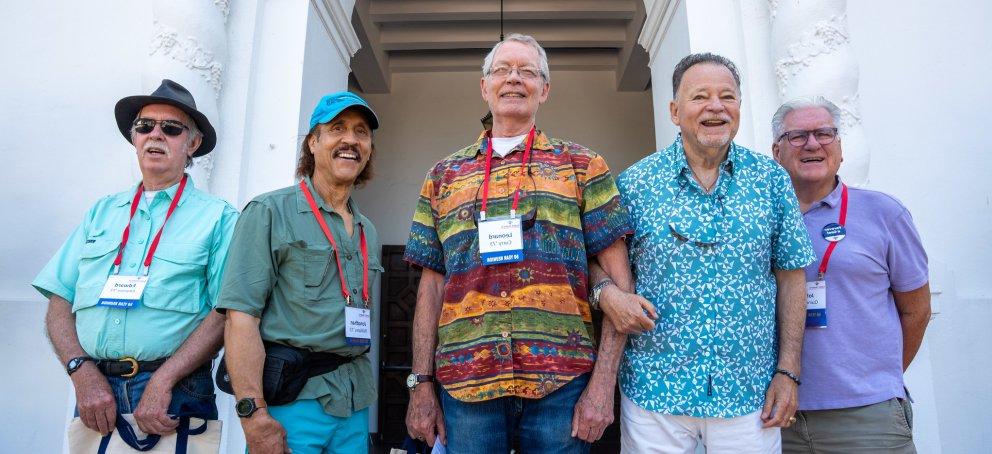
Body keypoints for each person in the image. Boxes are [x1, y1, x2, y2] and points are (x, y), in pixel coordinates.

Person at [403, 33, 636, 453]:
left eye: (527, 71)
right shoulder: (442, 176)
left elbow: (621, 283)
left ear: (544, 89)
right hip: (466, 382)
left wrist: (604, 386)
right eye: (502, 70)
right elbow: (430, 289)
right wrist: (420, 385)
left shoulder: (583, 166)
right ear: (484, 87)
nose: (514, 79)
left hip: (561, 384)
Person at [596, 53, 816, 453]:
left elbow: (791, 277)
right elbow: (599, 263)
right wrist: (608, 295)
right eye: (700, 97)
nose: (716, 106)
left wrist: (789, 371)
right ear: (675, 111)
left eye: (726, 96)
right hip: (654, 390)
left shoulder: (771, 181)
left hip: (749, 393)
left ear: (738, 109)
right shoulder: (634, 183)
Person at [32, 79, 237, 439]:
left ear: (192, 144)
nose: (155, 135)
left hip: (174, 391)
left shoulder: (219, 218)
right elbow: (59, 298)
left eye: (171, 128)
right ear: (135, 138)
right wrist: (80, 370)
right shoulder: (101, 212)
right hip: (94, 388)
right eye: (145, 126)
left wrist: (164, 379)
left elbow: (226, 312)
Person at [218, 91, 382, 454]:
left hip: (353, 402)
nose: (350, 140)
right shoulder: (268, 211)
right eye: (337, 128)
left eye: (361, 132)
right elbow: (240, 317)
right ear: (313, 141)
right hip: (291, 402)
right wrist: (252, 414)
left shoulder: (368, 229)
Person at [771, 97, 930, 453]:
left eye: (824, 133)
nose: (812, 144)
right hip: (778, 416)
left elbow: (916, 310)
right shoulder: (760, 221)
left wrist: (879, 379)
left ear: (840, 148)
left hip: (868, 419)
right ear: (776, 151)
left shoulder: (885, 214)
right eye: (797, 136)